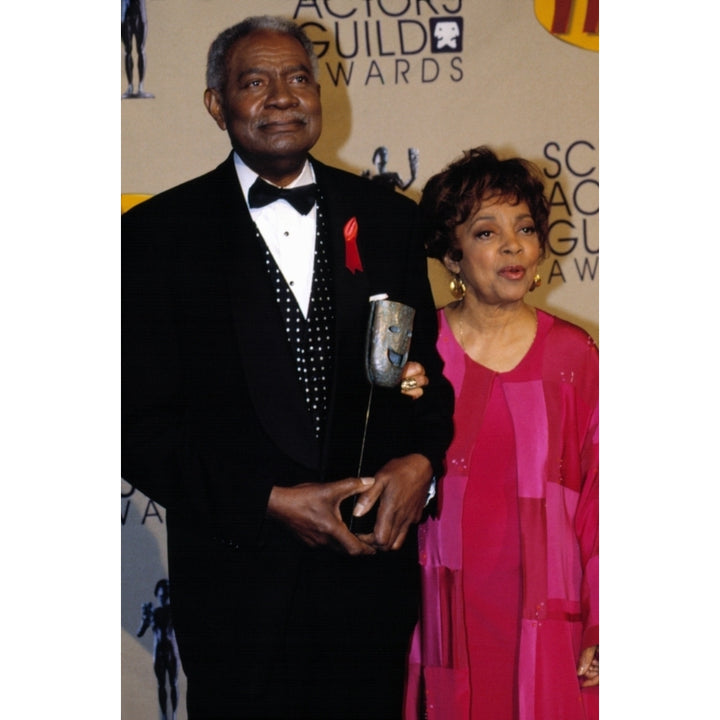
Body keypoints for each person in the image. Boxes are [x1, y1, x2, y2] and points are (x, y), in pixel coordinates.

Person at [122, 15, 454, 720]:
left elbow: (426, 378)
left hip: (369, 596)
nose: (281, 97)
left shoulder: (389, 220)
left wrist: (422, 460)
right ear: (217, 104)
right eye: (255, 82)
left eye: (298, 77)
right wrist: (268, 501)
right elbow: (136, 428)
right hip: (239, 599)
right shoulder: (156, 237)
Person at [404, 147, 598, 720]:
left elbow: (606, 502)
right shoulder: (416, 349)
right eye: (487, 231)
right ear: (452, 253)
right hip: (436, 617)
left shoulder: (574, 355)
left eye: (526, 228)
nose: (513, 245)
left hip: (552, 622)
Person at [136, 579, 179, 720]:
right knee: (162, 685)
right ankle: (165, 716)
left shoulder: (172, 610)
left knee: (173, 683)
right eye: (163, 595)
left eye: (166, 595)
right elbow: (140, 632)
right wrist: (144, 619)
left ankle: (172, 715)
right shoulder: (153, 612)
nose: (164, 597)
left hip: (170, 650)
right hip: (159, 651)